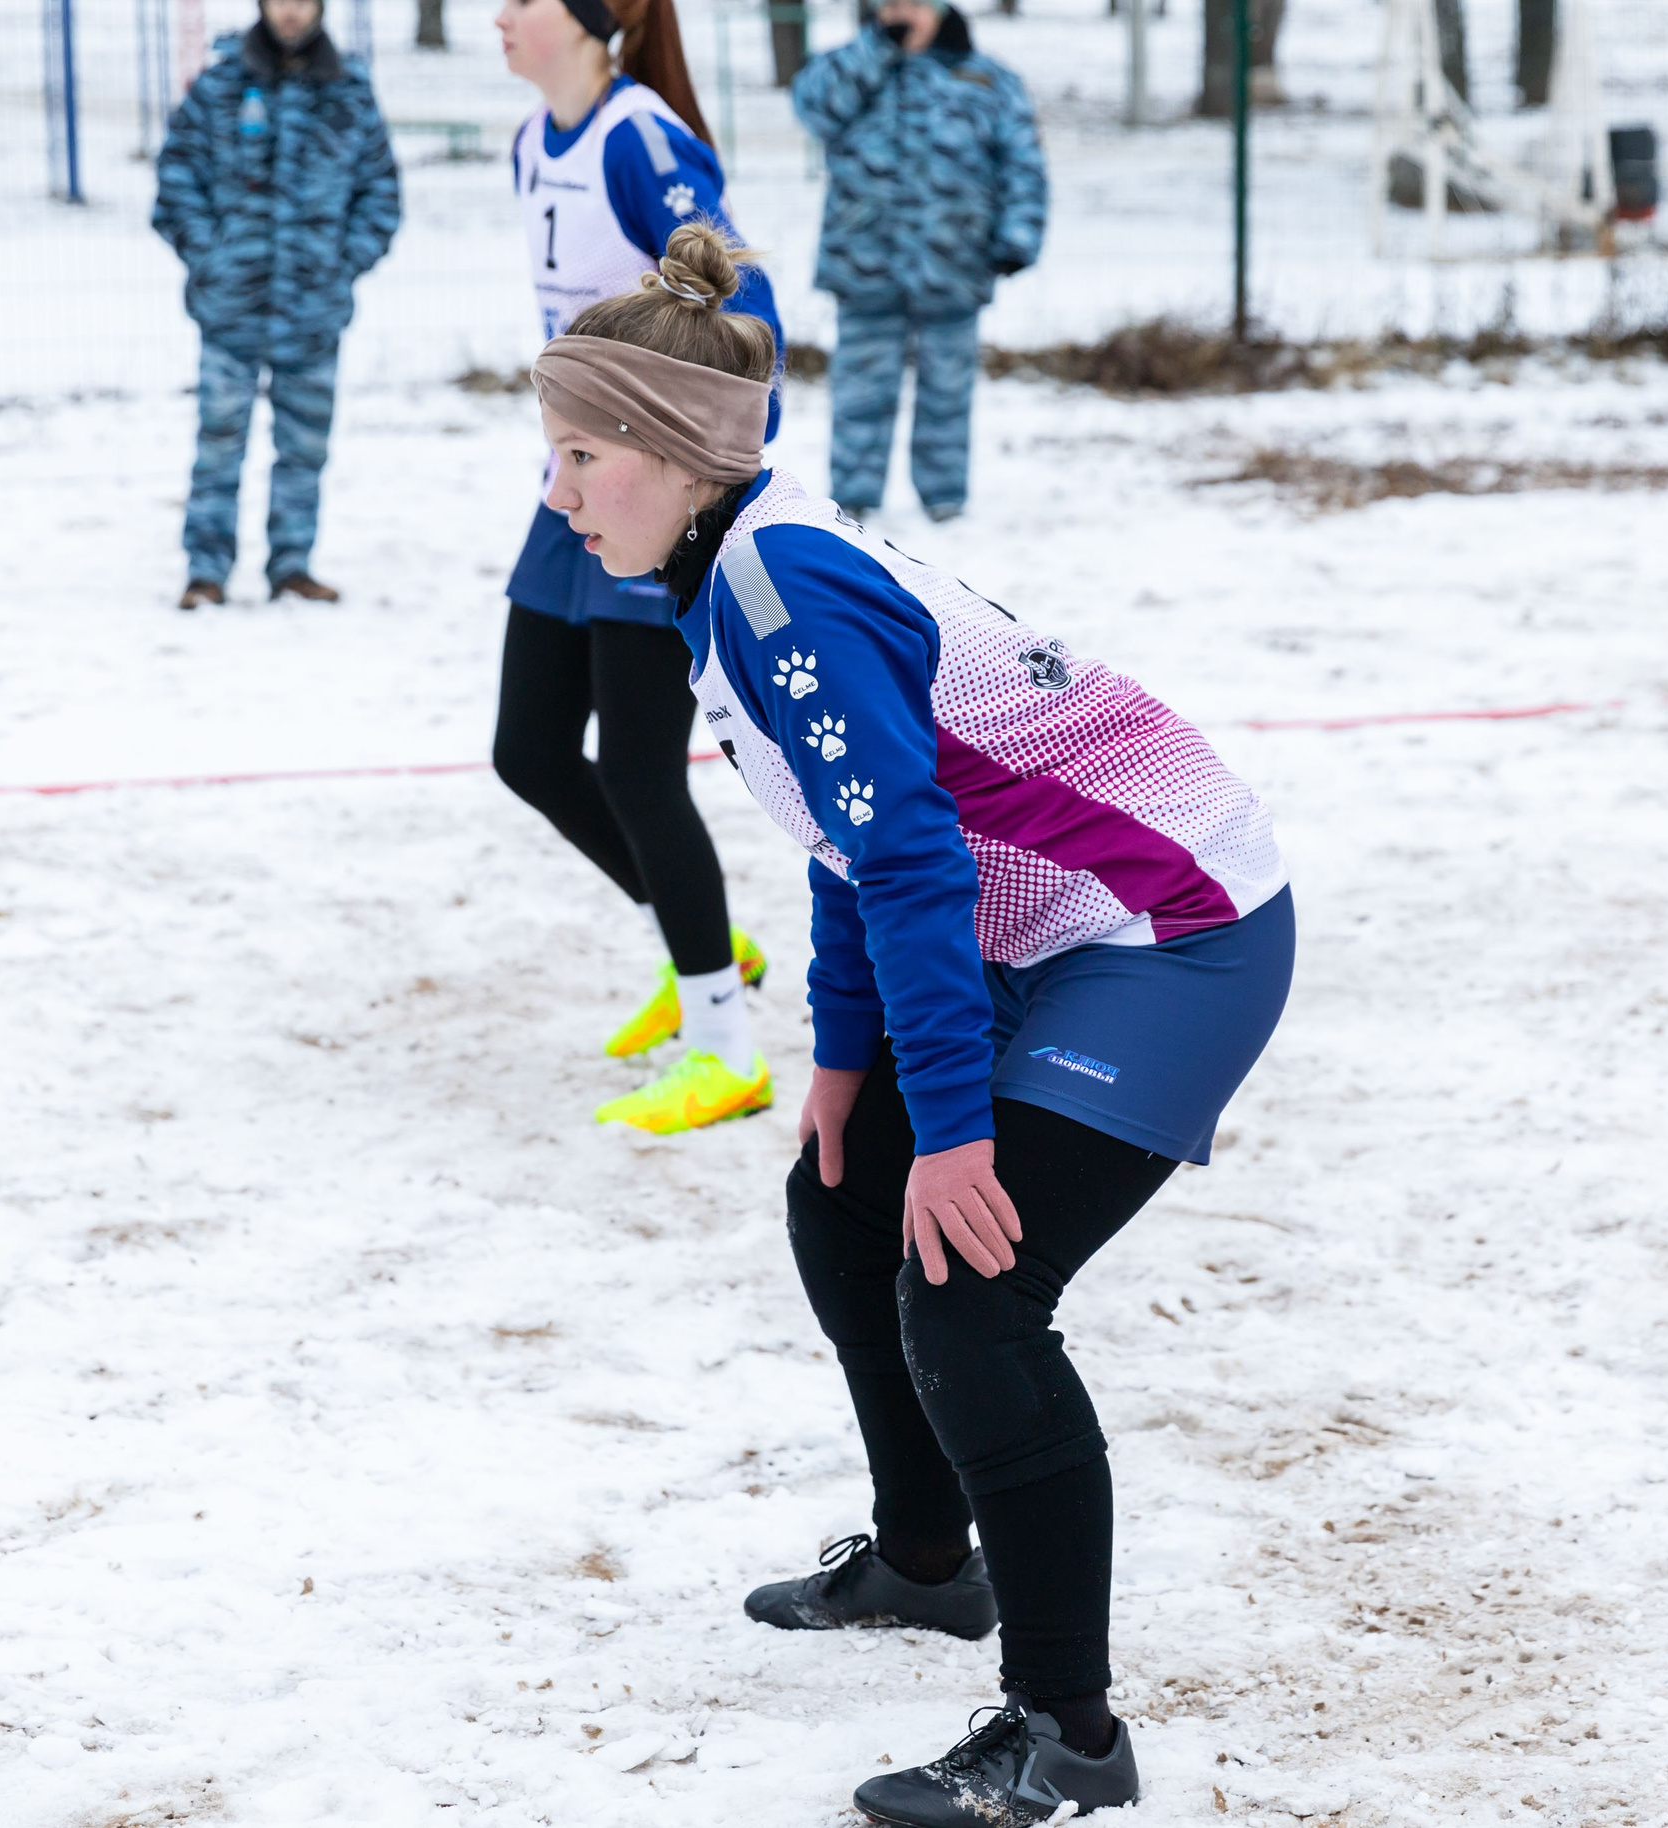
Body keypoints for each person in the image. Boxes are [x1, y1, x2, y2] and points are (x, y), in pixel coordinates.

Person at [530, 223, 1296, 1825]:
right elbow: (850, 835)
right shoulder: (726, 569)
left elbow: (907, 855)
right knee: (837, 1196)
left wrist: (951, 1133)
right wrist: (842, 1060)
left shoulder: (779, 591)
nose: (558, 491)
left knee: (970, 1288)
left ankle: (1069, 1737)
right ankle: (933, 1557)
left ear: (675, 457)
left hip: (1173, 931)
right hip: (1043, 919)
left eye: (582, 452)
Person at [492, 0, 788, 1135]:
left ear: (586, 19)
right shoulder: (533, 141)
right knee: (527, 750)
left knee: (639, 769)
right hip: (570, 491)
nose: (498, 16)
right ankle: (698, 929)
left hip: (653, 496)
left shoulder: (638, 138)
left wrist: (708, 480)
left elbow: (742, 303)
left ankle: (724, 1046)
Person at [152, 0, 401, 610]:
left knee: (305, 447)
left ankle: (292, 565)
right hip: (230, 307)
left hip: (313, 310)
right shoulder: (220, 87)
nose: (290, 12)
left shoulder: (348, 90)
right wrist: (211, 256)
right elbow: (176, 183)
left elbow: (381, 195)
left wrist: (341, 264)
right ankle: (205, 571)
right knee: (218, 440)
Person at [792, 0, 1046, 524]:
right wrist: (877, 51)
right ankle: (855, 497)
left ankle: (944, 496)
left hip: (954, 260)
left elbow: (1022, 161)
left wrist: (1017, 237)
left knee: (947, 389)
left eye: (915, 4)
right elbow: (814, 108)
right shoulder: (853, 67)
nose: (903, 13)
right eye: (892, 4)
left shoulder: (985, 78)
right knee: (861, 387)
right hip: (865, 262)